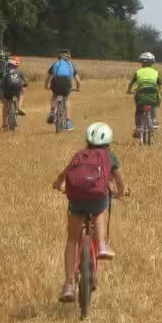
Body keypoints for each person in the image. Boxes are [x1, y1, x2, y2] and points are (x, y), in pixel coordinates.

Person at [51, 122, 128, 302]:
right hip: (97, 199)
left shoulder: (80, 155)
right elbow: (120, 182)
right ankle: (101, 244)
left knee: (72, 239)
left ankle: (69, 284)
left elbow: (65, 174)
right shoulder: (110, 156)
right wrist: (121, 192)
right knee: (100, 208)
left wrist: (58, 184)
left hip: (76, 200)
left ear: (87, 140)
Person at [126, 52, 162, 138]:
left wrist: (128, 91)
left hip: (141, 93)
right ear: (152, 62)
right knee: (154, 104)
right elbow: (160, 84)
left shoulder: (138, 72)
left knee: (139, 110)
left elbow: (131, 84)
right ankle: (154, 121)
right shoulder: (155, 72)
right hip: (153, 92)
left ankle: (138, 127)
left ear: (141, 62)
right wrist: (159, 91)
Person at [44, 50, 81, 131]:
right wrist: (78, 89)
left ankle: (52, 112)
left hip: (56, 81)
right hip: (66, 82)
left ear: (59, 58)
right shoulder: (71, 65)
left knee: (54, 96)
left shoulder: (55, 64)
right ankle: (68, 121)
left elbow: (47, 79)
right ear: (69, 58)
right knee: (66, 99)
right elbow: (78, 81)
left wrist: (46, 87)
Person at [0, 56, 27, 121]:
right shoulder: (20, 73)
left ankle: (4, 123)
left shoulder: (3, 72)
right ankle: (19, 107)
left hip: (6, 91)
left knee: (5, 105)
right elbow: (25, 82)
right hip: (16, 90)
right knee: (22, 92)